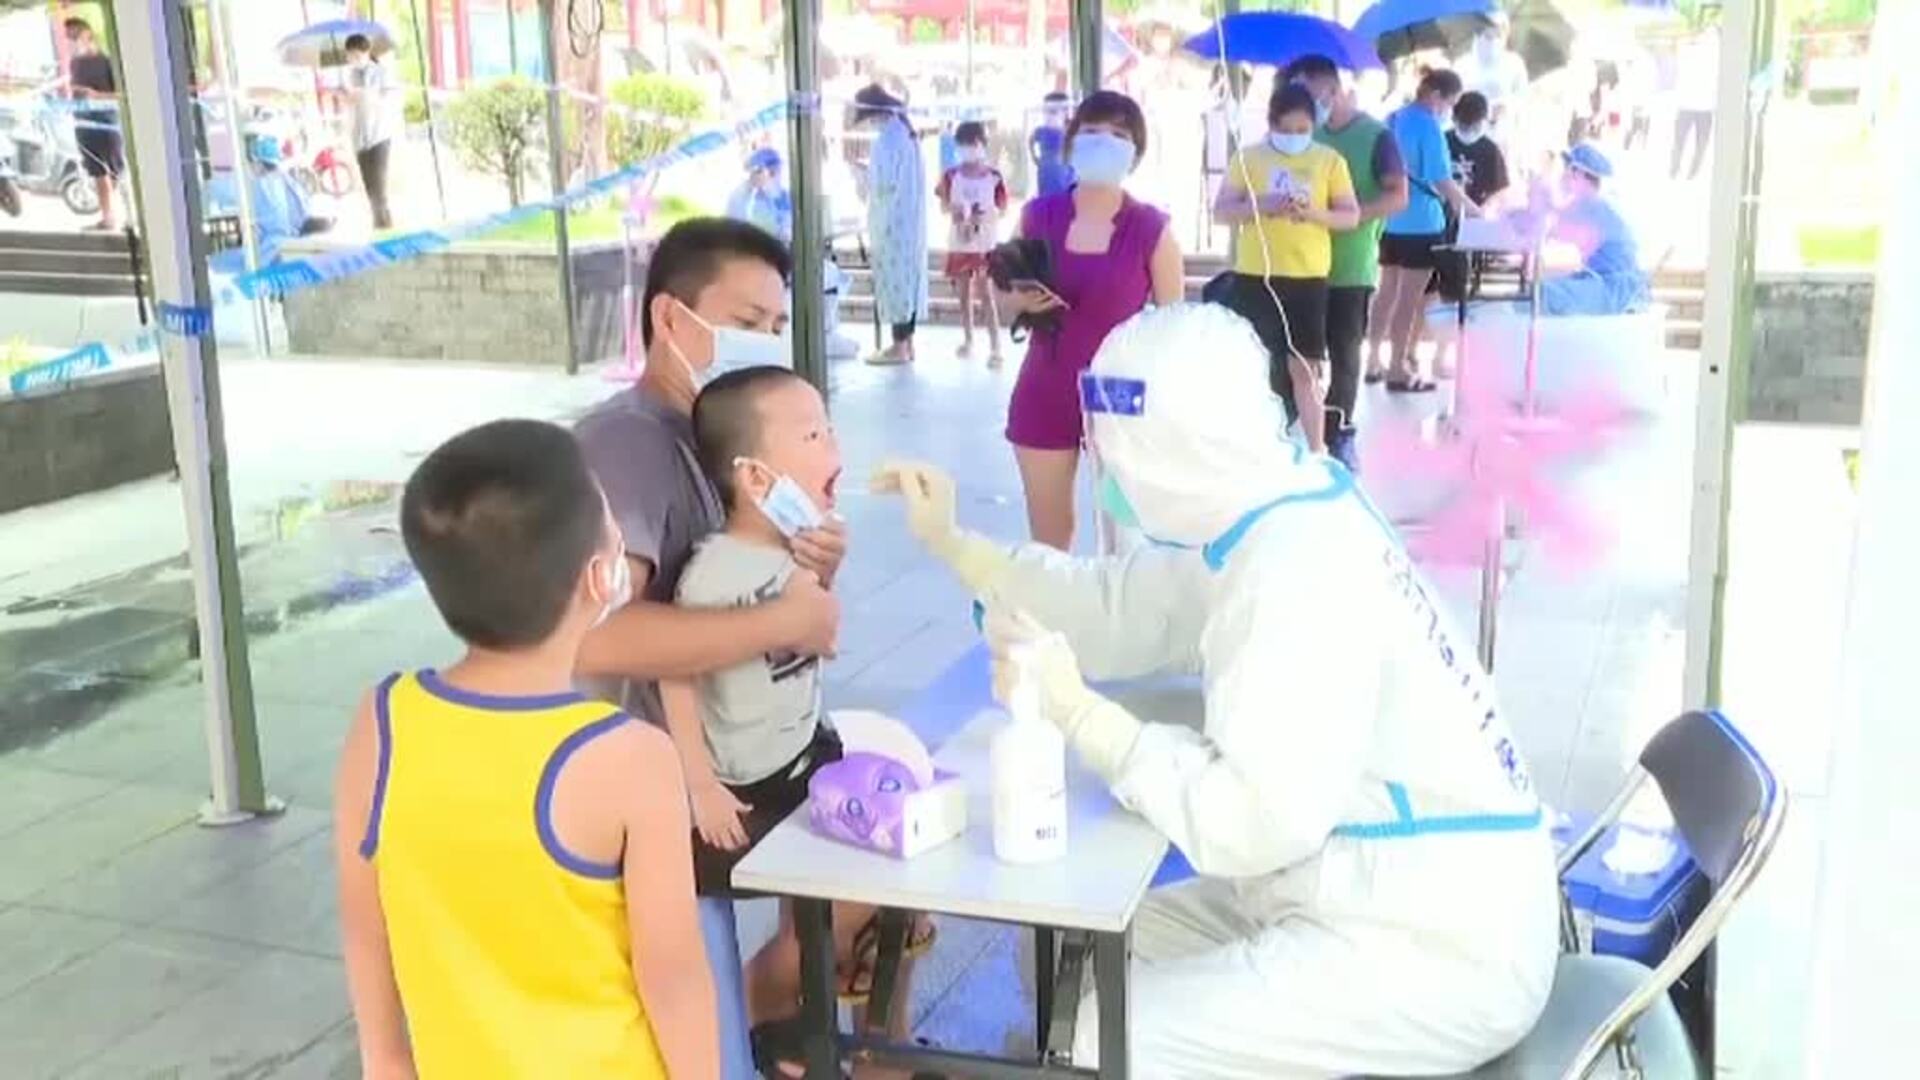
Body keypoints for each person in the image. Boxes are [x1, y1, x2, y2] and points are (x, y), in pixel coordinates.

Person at [874, 302, 1557, 1078]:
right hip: (1348, 886)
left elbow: (1256, 821)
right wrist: (960, 547)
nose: (1109, 478)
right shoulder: (1268, 504)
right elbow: (1123, 608)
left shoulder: (1293, 571)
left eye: (1117, 457)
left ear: (1166, 453)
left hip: (1432, 944)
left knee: (1100, 1037)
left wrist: (1082, 715)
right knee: (1067, 965)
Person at [334, 419, 718, 1078]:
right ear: (600, 577)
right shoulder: (631, 759)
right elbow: (673, 974)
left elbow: (365, 920)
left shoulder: (383, 721)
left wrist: (386, 1060)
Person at [671, 366, 930, 1072]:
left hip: (803, 756)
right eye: (813, 434)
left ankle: (870, 1047)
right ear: (756, 479)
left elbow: (815, 637)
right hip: (745, 795)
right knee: (863, 879)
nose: (833, 448)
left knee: (909, 819)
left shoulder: (792, 550)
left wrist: (824, 573)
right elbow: (674, 670)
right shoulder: (716, 573)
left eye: (831, 427)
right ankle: (769, 1010)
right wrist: (699, 787)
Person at [571, 217, 842, 728]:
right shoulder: (624, 444)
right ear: (670, 318)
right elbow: (590, 635)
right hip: (660, 774)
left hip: (746, 746)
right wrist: (781, 622)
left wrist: (814, 565)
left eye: (776, 329)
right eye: (747, 323)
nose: (766, 343)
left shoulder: (732, 433)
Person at [1000, 90, 1184, 551]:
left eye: (1119, 135)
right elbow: (1002, 299)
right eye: (1093, 131)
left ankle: (1121, 621)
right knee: (1049, 540)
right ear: (1072, 141)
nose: (1105, 142)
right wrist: (1023, 302)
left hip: (1120, 397)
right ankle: (1048, 623)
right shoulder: (1037, 217)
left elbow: (1174, 329)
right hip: (1045, 389)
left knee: (1126, 538)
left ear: (1135, 153)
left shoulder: (1151, 230)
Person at [1213, 81, 1360, 455]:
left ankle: (1315, 448)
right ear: (1270, 125)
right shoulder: (1248, 159)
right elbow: (1223, 211)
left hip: (1307, 277)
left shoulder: (1329, 161)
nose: (1294, 137)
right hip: (1255, 275)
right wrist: (1261, 205)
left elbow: (1349, 216)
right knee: (1255, 365)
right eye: (1285, 130)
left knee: (1306, 368)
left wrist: (1313, 213)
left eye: (1302, 131)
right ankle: (1251, 444)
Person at [1290, 54, 1408, 471]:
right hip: (1300, 261)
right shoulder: (1303, 134)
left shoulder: (1376, 136)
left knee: (1344, 352)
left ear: (1334, 89)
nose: (1306, 102)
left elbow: (1398, 195)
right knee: (1300, 353)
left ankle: (1339, 431)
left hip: (1350, 263)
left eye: (1311, 93)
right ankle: (1300, 430)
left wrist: (1354, 213)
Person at [1370, 68, 1476, 394]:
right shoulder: (1428, 126)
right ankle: (1398, 368)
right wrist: (1474, 210)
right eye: (1450, 102)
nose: (1448, 110)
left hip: (1389, 219)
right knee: (1409, 299)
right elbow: (1442, 180)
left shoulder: (1392, 119)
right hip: (1421, 223)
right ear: (1435, 95)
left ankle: (1374, 359)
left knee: (1386, 291)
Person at [854, 84, 928, 366]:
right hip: (910, 223)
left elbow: (883, 186)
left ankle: (899, 346)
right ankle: (907, 343)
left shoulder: (888, 140)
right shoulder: (907, 135)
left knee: (896, 285)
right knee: (907, 284)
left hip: (893, 223)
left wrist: (863, 177)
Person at [1538, 143, 1648, 316]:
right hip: (1611, 283)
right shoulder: (1597, 203)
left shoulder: (1590, 205)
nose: (1566, 176)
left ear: (1581, 175)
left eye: (1571, 171)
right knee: (1546, 288)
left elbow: (1550, 229)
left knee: (1542, 294)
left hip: (1613, 289)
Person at [1431, 91, 1511, 315]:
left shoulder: (1489, 149)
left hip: (1472, 222)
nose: (1468, 130)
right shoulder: (1442, 141)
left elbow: (1500, 189)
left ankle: (1452, 331)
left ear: (1483, 122)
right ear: (1454, 119)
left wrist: (1483, 211)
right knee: (1433, 279)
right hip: (1440, 217)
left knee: (1461, 280)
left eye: (1473, 124)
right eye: (1463, 124)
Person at [936, 120, 1009, 365]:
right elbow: (944, 205)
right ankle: (968, 339)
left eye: (974, 143)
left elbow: (1003, 208)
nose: (970, 148)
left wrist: (984, 215)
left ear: (982, 144)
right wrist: (956, 211)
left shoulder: (994, 177)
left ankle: (996, 346)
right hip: (960, 241)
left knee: (986, 293)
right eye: (965, 143)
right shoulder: (951, 175)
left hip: (984, 243)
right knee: (963, 294)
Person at [63, 18, 121, 232]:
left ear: (88, 34)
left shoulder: (107, 61)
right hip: (83, 121)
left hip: (107, 120)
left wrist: (98, 96)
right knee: (97, 171)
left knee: (114, 170)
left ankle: (117, 214)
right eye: (69, 37)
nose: (72, 41)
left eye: (75, 35)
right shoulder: (75, 63)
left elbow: (122, 94)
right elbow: (74, 90)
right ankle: (107, 217)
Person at [343, 33, 396, 230]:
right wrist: (349, 99)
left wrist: (365, 94)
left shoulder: (380, 72)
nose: (353, 60)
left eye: (356, 55)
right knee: (369, 187)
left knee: (379, 187)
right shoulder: (350, 75)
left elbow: (388, 97)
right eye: (350, 56)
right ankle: (381, 225)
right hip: (360, 137)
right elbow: (350, 105)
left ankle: (383, 227)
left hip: (379, 135)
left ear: (366, 53)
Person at [1670, 23, 1719, 181]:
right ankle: (1689, 173)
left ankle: (1675, 170)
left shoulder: (1689, 50)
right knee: (1700, 143)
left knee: (1681, 140)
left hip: (1689, 104)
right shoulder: (1717, 54)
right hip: (1702, 106)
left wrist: (1691, 37)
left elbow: (1678, 45)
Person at [726, 147, 793, 245]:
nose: (776, 177)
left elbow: (787, 231)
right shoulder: (740, 196)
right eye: (772, 172)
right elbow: (734, 230)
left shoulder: (782, 195)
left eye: (776, 172)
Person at [1030, 91, 1073, 197]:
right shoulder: (1042, 130)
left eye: (1053, 111)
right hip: (1046, 170)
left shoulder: (1072, 128)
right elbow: (1031, 140)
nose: (1049, 114)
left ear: (1066, 110)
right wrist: (1034, 157)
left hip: (1066, 171)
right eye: (1047, 111)